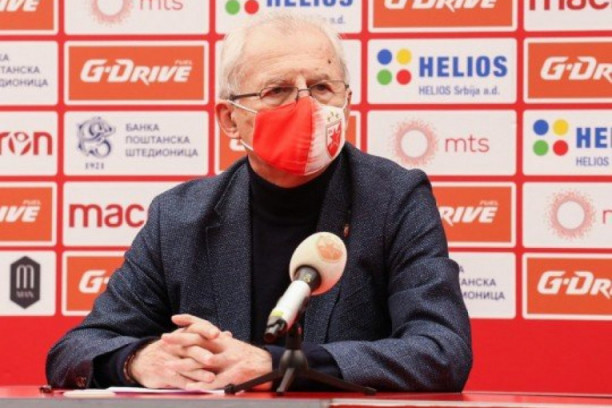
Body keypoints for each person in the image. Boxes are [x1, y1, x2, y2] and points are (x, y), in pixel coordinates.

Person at [46, 12, 472, 392]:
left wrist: (281, 366)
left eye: (322, 87)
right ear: (230, 118)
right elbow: (75, 350)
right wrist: (138, 361)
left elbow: (442, 351)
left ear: (346, 102)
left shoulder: (394, 199)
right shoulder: (178, 218)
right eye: (277, 90)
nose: (306, 105)